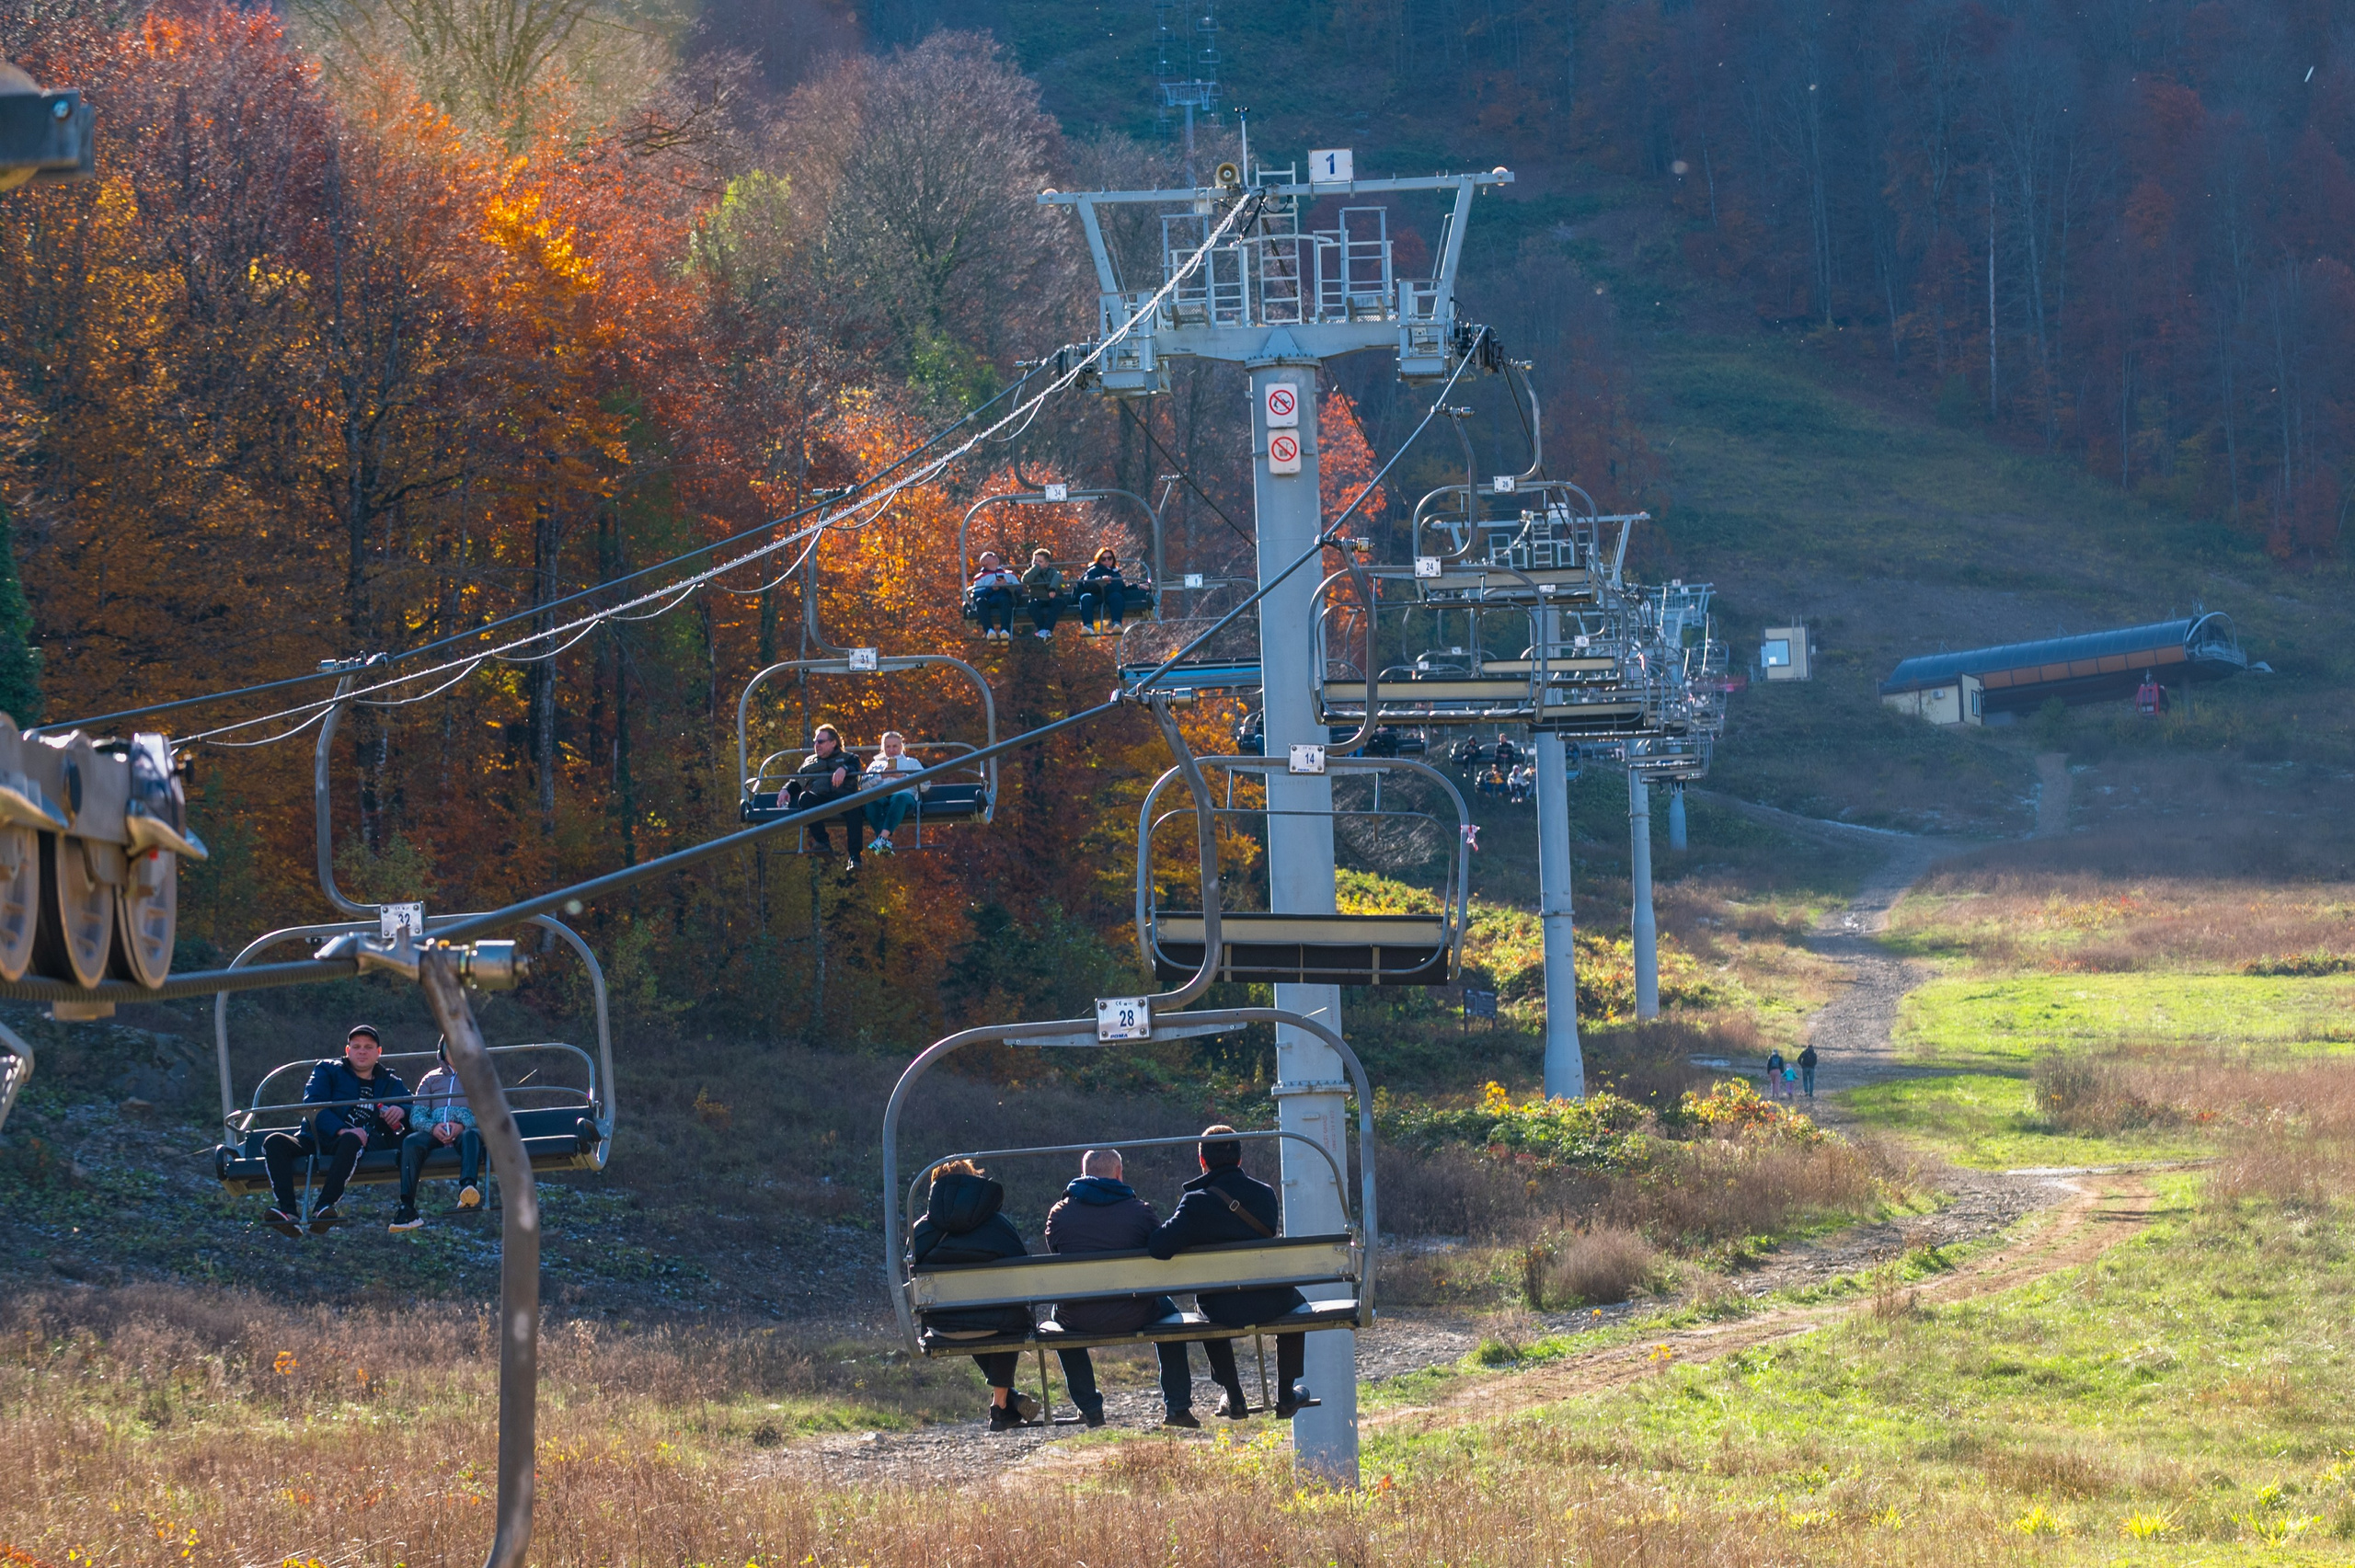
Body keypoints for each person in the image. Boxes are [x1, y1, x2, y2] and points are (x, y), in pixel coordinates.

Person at [1145, 1125, 1310, 1421]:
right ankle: (1286, 1393)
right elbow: (1268, 1229)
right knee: (1298, 1304)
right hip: (1270, 1301)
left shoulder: (1196, 1202)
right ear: (1239, 1158)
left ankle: (1234, 1398)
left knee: (1207, 1305)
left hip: (1222, 1307)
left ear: (1202, 1160)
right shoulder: (1265, 1194)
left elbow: (1159, 1247)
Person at [1041, 1149, 1196, 1427]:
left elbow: (1055, 1248)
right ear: (1119, 1174)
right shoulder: (1140, 1211)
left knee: (1058, 1320)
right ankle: (1178, 1405)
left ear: (1083, 1175)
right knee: (1170, 1313)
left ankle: (1089, 1407)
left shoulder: (1060, 1214)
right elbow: (1158, 1248)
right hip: (1136, 1311)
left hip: (1079, 1317)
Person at [908, 1158, 1040, 1432]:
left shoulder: (922, 1228)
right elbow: (1021, 1270)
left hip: (942, 1325)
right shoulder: (998, 1224)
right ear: (974, 1184)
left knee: (971, 1315)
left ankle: (1006, 1401)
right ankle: (1001, 1404)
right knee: (1003, 1318)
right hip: (997, 1327)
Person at [259, 1024, 411, 1235]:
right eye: (356, 1046)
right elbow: (313, 1103)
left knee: (351, 1141)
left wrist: (401, 1111)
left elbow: (416, 1107)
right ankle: (287, 1210)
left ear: (379, 1052)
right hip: (316, 1138)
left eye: (368, 1047)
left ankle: (324, 1206)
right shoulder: (328, 1070)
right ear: (347, 1051)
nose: (362, 1051)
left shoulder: (390, 1083)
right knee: (274, 1141)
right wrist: (341, 1129)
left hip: (355, 1146)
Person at [393, 1037, 486, 1230]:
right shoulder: (431, 1079)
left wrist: (462, 1124)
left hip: (464, 1131)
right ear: (443, 1051)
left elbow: (486, 1113)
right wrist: (433, 1128)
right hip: (435, 1131)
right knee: (411, 1142)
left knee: (471, 1137)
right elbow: (417, 1115)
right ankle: (407, 1205)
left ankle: (468, 1186)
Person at [785, 724, 861, 871]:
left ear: (833, 743)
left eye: (820, 741)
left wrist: (844, 769)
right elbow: (796, 781)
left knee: (855, 806)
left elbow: (855, 768)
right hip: (820, 798)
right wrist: (785, 790)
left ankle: (855, 857)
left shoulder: (849, 758)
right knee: (805, 798)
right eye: (815, 741)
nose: (816, 745)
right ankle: (823, 843)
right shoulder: (810, 762)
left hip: (843, 798)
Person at [862, 730, 924, 854]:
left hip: (904, 795)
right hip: (881, 795)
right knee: (870, 800)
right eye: (888, 747)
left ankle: (881, 838)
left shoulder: (911, 762)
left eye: (895, 746)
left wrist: (903, 776)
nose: (891, 750)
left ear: (901, 746)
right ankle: (882, 841)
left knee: (899, 798)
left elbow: (925, 784)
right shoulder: (876, 764)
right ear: (883, 748)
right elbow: (863, 785)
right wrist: (881, 776)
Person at [1075, 547, 1130, 632]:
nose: (1107, 561)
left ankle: (1117, 625)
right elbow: (1087, 583)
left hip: (1110, 596)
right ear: (1099, 560)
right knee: (1085, 598)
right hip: (1096, 595)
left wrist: (1137, 587)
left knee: (1117, 596)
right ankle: (1089, 627)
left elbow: (1122, 588)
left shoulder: (1116, 572)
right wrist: (1100, 581)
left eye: (1109, 558)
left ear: (1113, 559)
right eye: (1103, 559)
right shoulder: (1094, 570)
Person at [969, 552, 1019, 640]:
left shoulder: (1009, 574)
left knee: (1005, 600)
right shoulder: (980, 577)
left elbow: (1019, 590)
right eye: (990, 555)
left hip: (1004, 599)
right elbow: (977, 595)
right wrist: (991, 589)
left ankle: (1005, 631)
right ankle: (989, 631)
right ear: (984, 562)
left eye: (995, 554)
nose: (994, 555)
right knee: (980, 601)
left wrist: (1006, 585)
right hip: (989, 600)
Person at [1020, 548, 1063, 640]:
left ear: (1047, 564)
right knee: (1032, 606)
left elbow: (1058, 577)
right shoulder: (1031, 572)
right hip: (1038, 599)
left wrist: (1052, 589)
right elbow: (1026, 580)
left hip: (1052, 598)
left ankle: (1046, 630)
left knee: (1058, 604)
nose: (1036, 563)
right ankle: (1043, 630)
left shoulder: (1052, 571)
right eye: (1035, 560)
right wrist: (1036, 569)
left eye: (1040, 561)